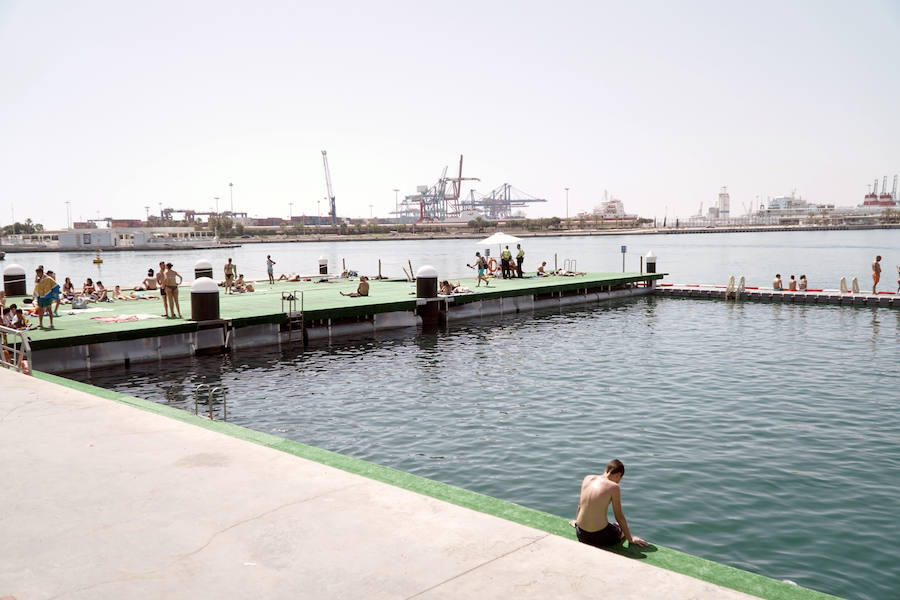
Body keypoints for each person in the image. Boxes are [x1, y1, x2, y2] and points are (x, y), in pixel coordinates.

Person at [571, 459, 648, 549]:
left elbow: (580, 505)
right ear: (618, 475)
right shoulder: (614, 487)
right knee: (619, 526)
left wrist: (577, 524)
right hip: (600, 537)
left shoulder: (587, 479)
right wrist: (630, 539)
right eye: (620, 479)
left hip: (581, 534)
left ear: (607, 470)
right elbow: (619, 516)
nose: (618, 482)